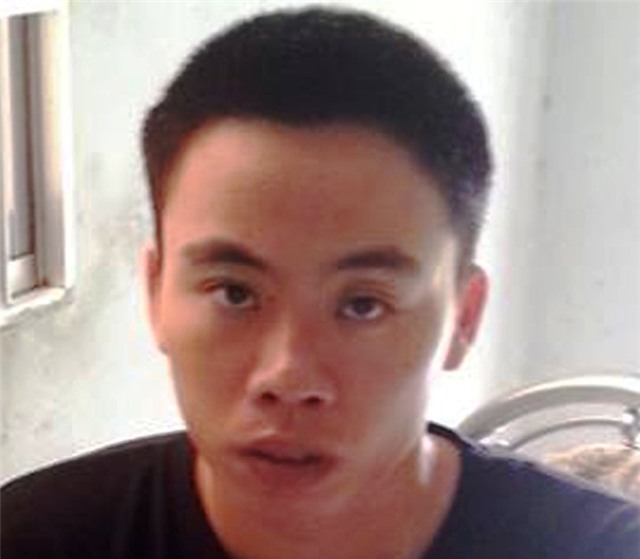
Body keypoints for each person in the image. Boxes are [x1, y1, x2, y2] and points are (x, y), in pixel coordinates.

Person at [2, 7, 639, 559]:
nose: (288, 378)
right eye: (234, 293)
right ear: (155, 292)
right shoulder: (33, 538)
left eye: (362, 304)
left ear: (463, 318)